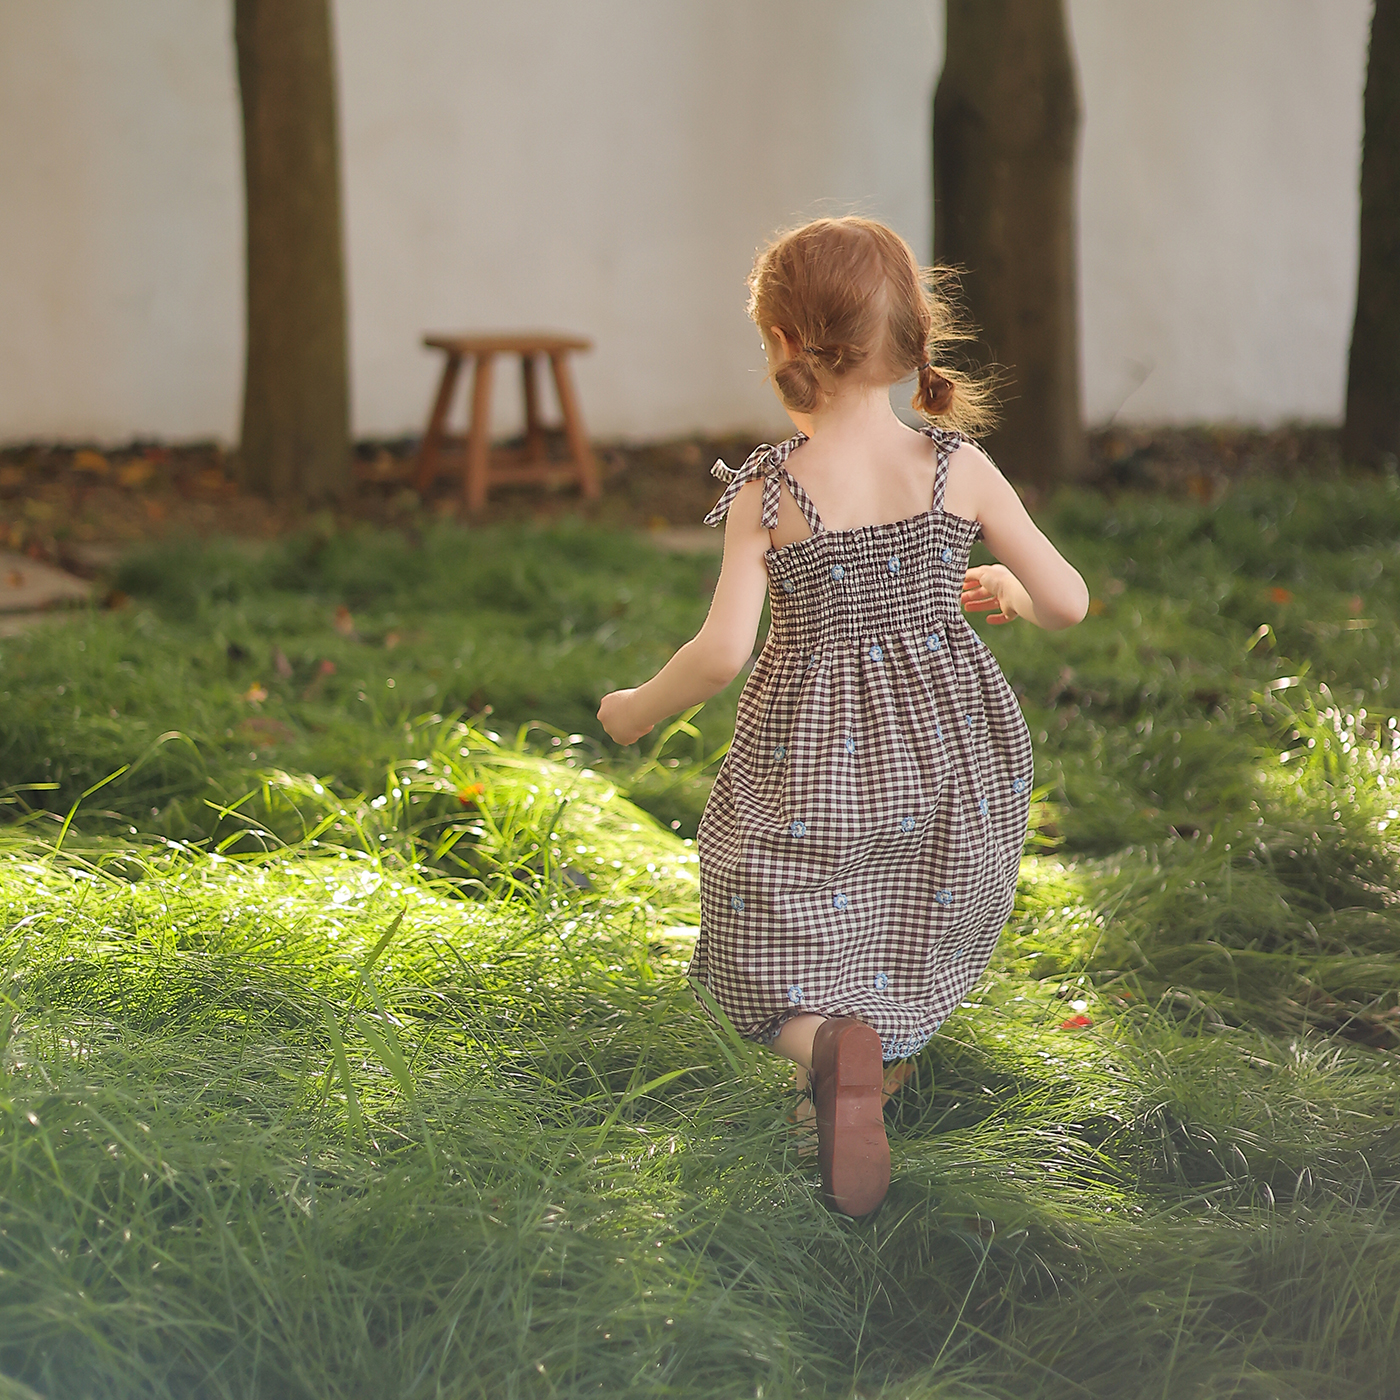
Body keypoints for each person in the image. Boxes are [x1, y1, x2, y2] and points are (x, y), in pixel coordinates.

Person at [598, 216, 1088, 1216]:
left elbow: (721, 653)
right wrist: (1004, 585)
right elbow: (1067, 602)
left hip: (810, 749)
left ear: (781, 344)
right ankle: (864, 1081)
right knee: (906, 913)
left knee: (755, 922)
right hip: (952, 749)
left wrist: (634, 709)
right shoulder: (958, 467)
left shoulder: (769, 490)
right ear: (912, 334)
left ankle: (822, 1050)